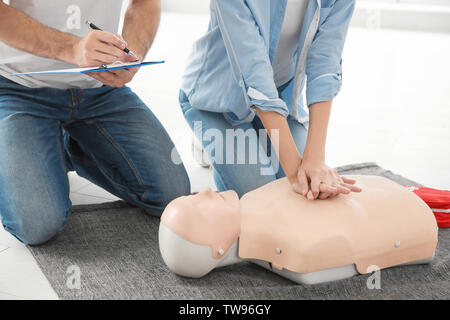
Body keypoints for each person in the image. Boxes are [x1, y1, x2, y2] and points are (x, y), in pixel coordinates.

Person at [0, 0, 190, 245]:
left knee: (172, 195)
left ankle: (68, 146)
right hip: (18, 87)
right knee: (37, 224)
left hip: (98, 90)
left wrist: (130, 54)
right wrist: (71, 48)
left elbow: (145, 3)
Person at [179, 0, 359, 199]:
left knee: (303, 190)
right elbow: (254, 72)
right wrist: (295, 175)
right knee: (264, 195)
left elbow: (326, 64)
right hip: (217, 99)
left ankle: (247, 141)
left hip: (281, 95)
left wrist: (315, 159)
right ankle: (210, 144)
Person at [159, 175, 438, 284]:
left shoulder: (252, 203)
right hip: (403, 215)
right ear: (218, 248)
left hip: (382, 197)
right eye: (200, 206)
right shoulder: (291, 249)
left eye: (192, 195)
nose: (206, 191)